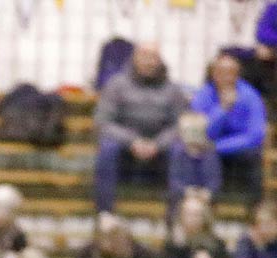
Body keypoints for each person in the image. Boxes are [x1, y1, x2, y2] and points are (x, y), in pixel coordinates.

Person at [93, 42, 190, 213]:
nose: (148, 62)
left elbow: (181, 125)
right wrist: (133, 141)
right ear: (134, 58)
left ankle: (176, 216)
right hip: (125, 150)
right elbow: (103, 122)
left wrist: (158, 144)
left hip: (160, 152)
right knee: (107, 148)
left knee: (179, 150)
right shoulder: (116, 85)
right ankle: (105, 213)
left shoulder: (173, 90)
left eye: (153, 57)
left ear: (160, 61)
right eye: (143, 56)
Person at [192, 52, 267, 207]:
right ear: (213, 74)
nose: (226, 78)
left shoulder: (250, 96)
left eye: (231, 73)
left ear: (237, 75)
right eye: (221, 73)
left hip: (239, 149)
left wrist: (219, 147)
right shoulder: (203, 95)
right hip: (209, 150)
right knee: (195, 153)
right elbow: (200, 130)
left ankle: (253, 210)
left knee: (254, 156)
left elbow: (255, 135)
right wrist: (223, 109)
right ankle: (206, 209)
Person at [166, 112, 223, 214]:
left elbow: (215, 180)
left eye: (197, 131)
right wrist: (186, 192)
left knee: (204, 207)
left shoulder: (210, 154)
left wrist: (207, 192)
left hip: (204, 197)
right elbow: (174, 181)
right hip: (182, 196)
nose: (193, 135)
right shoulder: (177, 153)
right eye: (189, 131)